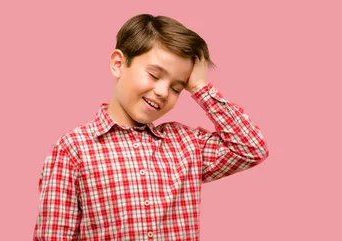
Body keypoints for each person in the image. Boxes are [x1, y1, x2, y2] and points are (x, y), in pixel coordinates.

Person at [33, 13, 269, 240]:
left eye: (177, 87)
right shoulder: (74, 149)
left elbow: (251, 148)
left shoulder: (186, 144)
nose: (163, 92)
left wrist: (200, 88)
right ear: (118, 63)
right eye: (154, 75)